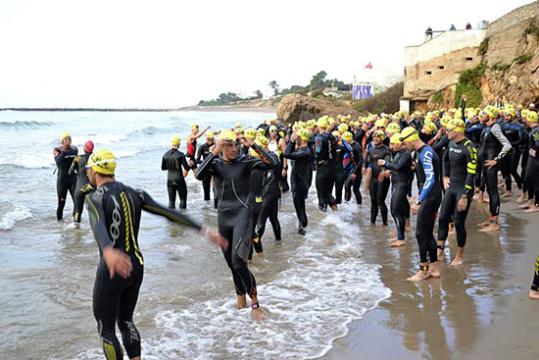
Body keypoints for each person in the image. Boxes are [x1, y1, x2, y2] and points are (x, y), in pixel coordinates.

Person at [85, 149, 226, 360]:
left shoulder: (95, 197)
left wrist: (107, 250)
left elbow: (98, 226)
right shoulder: (136, 193)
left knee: (106, 328)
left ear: (95, 170)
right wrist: (204, 230)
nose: (87, 173)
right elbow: (168, 212)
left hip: (113, 267)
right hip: (136, 265)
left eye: (88, 169)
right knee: (126, 321)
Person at [195, 130, 277, 319]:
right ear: (221, 146)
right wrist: (214, 150)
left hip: (242, 214)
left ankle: (255, 304)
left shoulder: (246, 161)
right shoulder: (214, 163)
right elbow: (199, 175)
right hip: (223, 218)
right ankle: (241, 299)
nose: (233, 149)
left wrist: (253, 145)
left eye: (235, 144)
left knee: (239, 263)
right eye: (228, 145)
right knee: (232, 265)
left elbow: (273, 163)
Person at [400, 126, 442, 281]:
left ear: (411, 139)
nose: (404, 146)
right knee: (428, 233)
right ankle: (434, 268)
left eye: (405, 143)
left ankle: (423, 270)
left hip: (430, 196)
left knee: (420, 234)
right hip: (432, 195)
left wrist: (419, 200)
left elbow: (430, 179)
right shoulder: (421, 152)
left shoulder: (426, 153)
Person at [436, 119, 477, 266]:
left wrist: (465, 195)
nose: (447, 132)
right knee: (443, 218)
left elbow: (472, 174)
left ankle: (460, 254)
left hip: (463, 188)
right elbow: (444, 160)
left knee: (459, 222)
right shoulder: (451, 143)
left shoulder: (469, 147)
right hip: (451, 186)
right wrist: (445, 176)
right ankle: (440, 251)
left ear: (459, 130)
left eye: (449, 130)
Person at [478, 106, 512, 232]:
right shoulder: (487, 126)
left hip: (491, 163)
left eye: (484, 114)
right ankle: (491, 217)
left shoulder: (495, 127)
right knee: (489, 189)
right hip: (486, 163)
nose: (481, 116)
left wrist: (496, 160)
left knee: (493, 191)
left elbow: (507, 145)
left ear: (490, 116)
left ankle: (495, 222)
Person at [379, 133, 413, 247]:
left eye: (393, 143)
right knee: (398, 210)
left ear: (400, 143)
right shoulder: (400, 153)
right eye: (390, 143)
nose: (390, 146)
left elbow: (398, 166)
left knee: (395, 211)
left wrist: (385, 164)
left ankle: (401, 238)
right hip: (396, 183)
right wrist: (390, 171)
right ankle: (400, 234)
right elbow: (397, 167)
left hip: (401, 185)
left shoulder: (406, 154)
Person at [284, 128, 313, 235]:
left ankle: (303, 227)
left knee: (299, 206)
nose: (296, 139)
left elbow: (286, 154)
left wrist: (291, 141)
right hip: (299, 181)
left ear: (302, 139)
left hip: (300, 183)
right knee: (300, 206)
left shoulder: (305, 152)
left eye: (298, 138)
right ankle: (302, 226)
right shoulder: (302, 149)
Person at [255, 136, 282, 242]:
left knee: (261, 221)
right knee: (273, 218)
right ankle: (279, 243)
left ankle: (256, 247)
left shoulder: (271, 157)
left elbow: (267, 177)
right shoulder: (271, 156)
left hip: (268, 193)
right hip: (273, 192)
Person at [365, 130, 391, 225]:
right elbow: (367, 163)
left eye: (378, 137)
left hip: (383, 179)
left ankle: (385, 223)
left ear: (382, 138)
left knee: (380, 200)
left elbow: (389, 164)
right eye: (374, 137)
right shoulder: (371, 150)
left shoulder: (386, 150)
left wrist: (384, 172)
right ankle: (372, 223)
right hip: (373, 179)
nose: (375, 139)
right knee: (373, 201)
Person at [53, 132, 78, 220]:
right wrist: (63, 151)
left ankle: (76, 223)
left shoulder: (74, 150)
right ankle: (59, 223)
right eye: (66, 139)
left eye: (69, 139)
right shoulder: (57, 150)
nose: (68, 141)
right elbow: (58, 162)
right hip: (62, 181)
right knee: (61, 203)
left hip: (73, 179)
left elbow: (76, 163)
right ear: (62, 141)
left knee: (77, 202)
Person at [162, 136, 192, 209]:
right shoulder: (181, 154)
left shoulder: (165, 154)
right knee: (182, 200)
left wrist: (171, 165)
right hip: (179, 179)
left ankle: (171, 219)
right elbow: (186, 168)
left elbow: (163, 168)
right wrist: (190, 164)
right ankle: (182, 217)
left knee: (171, 202)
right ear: (178, 144)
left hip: (169, 180)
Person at [314, 117, 338, 212]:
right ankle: (336, 213)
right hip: (332, 167)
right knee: (328, 192)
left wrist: (315, 162)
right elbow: (335, 149)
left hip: (323, 167)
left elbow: (318, 151)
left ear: (319, 126)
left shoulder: (319, 137)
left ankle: (323, 218)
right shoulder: (331, 136)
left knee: (321, 194)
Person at [68, 140, 95, 224]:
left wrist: (78, 172)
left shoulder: (78, 158)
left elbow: (70, 172)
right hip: (91, 187)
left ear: (84, 148)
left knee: (78, 210)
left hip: (80, 187)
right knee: (95, 210)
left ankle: (76, 227)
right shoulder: (95, 158)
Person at [196, 130, 217, 207]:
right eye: (208, 139)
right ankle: (206, 206)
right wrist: (204, 162)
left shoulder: (217, 146)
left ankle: (215, 206)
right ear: (206, 138)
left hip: (215, 169)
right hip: (206, 170)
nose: (210, 141)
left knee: (215, 188)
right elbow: (197, 160)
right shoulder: (202, 147)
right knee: (206, 187)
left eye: (211, 139)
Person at [342, 131, 363, 205]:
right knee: (347, 186)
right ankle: (346, 203)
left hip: (356, 170)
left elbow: (360, 160)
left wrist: (355, 172)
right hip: (351, 168)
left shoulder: (356, 146)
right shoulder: (348, 145)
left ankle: (359, 206)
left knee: (355, 189)